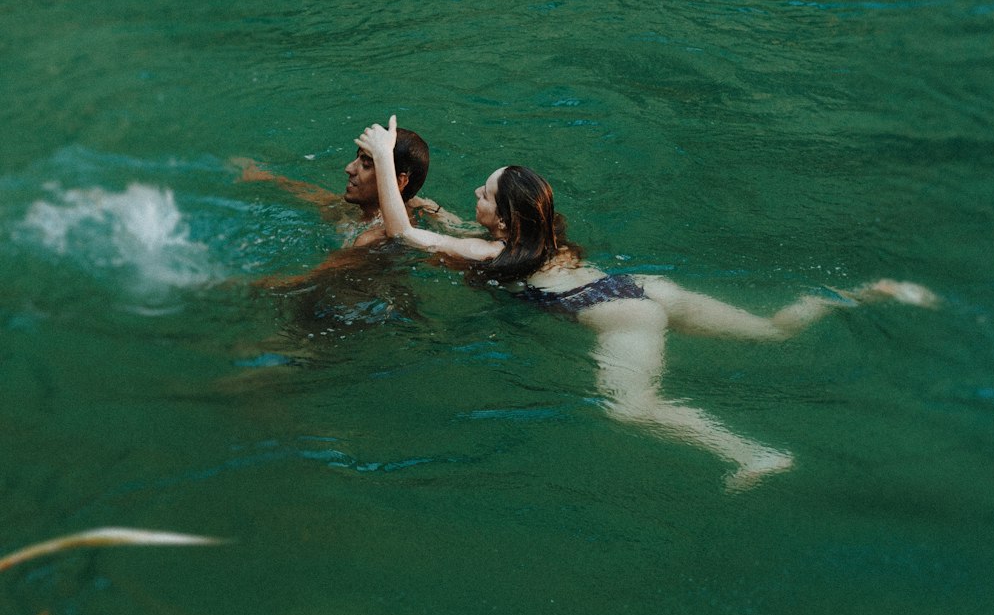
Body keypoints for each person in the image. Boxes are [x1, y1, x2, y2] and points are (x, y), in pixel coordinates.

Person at [356, 116, 938, 492]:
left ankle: (753, 453)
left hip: (619, 314)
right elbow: (440, 231)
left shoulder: (491, 255)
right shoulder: (535, 241)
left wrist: (386, 156)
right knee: (771, 330)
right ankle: (867, 294)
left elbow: (407, 235)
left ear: (504, 219)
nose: (474, 196)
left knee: (630, 410)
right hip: (642, 286)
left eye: (483, 194)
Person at [235, 127, 464, 294]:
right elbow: (320, 199)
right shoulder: (382, 209)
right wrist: (266, 177)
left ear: (399, 181)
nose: (348, 169)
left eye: (365, 164)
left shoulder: (372, 238)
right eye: (356, 159)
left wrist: (238, 285)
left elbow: (305, 280)